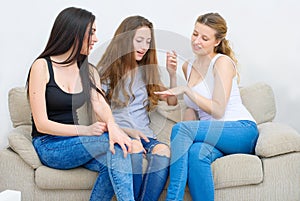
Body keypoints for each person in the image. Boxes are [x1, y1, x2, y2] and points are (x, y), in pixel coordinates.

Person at [26, 7, 136, 201]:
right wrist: (85, 130)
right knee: (112, 143)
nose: (95, 38)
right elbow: (42, 124)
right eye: (91, 32)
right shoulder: (42, 66)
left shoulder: (88, 70)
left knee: (116, 156)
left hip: (78, 145)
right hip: (49, 145)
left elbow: (100, 104)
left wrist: (112, 126)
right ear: (74, 32)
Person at [155, 13, 259, 201]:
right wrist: (172, 75)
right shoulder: (188, 67)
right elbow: (189, 110)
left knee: (181, 129)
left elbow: (218, 110)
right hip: (213, 136)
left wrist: (187, 90)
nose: (197, 41)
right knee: (196, 154)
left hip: (240, 131)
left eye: (204, 38)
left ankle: (173, 199)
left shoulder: (222, 62)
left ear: (217, 41)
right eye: (195, 34)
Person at [97, 15, 177, 201]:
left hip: (146, 135)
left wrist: (172, 76)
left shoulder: (146, 72)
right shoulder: (105, 74)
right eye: (139, 40)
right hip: (122, 135)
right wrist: (127, 132)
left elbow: (172, 103)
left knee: (164, 150)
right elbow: (99, 117)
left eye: (148, 42)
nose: (144, 47)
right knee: (133, 147)